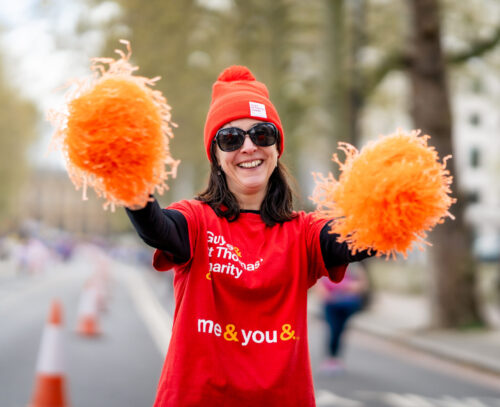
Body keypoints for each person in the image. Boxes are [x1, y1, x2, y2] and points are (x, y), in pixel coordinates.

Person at [126, 65, 372, 407]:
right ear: (216, 156)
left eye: (262, 134)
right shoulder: (196, 220)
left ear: (276, 148)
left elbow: (357, 238)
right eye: (230, 138)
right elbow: (156, 227)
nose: (248, 147)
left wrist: (392, 211)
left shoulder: (303, 231)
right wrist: (129, 177)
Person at [317, 262, 370, 375]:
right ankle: (331, 358)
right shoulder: (328, 261)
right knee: (333, 330)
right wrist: (328, 294)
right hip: (330, 305)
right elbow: (320, 284)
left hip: (347, 305)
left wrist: (346, 287)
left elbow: (362, 285)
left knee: (341, 331)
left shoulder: (355, 265)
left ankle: (335, 359)